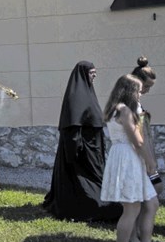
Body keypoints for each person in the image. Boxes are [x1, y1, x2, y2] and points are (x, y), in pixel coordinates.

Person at [43, 61, 122, 221]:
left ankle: (102, 204)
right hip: (82, 150)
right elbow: (73, 125)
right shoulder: (75, 97)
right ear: (83, 74)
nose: (95, 75)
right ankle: (91, 207)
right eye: (91, 72)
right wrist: (75, 149)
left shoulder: (88, 93)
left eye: (95, 72)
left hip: (93, 148)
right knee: (83, 179)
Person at [100, 74, 163, 242]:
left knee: (151, 203)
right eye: (138, 90)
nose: (140, 94)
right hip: (128, 158)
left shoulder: (115, 109)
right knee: (132, 208)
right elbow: (138, 141)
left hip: (126, 156)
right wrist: (151, 163)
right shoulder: (124, 110)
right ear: (128, 90)